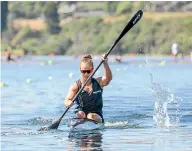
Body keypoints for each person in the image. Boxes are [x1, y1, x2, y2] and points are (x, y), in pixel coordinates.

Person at [64, 54, 112, 123]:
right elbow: (67, 100)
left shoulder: (98, 82)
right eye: (83, 71)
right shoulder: (76, 86)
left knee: (90, 116)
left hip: (96, 115)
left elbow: (108, 79)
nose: (86, 74)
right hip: (81, 114)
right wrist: (68, 103)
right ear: (80, 70)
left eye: (88, 71)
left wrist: (105, 63)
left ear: (92, 70)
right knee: (81, 114)